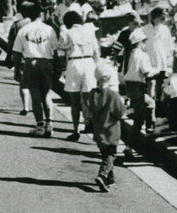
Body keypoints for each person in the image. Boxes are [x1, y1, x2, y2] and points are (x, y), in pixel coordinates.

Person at [12, 2, 60, 137]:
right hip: (47, 62)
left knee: (35, 95)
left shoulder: (23, 30)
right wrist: (58, 67)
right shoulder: (50, 29)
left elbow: (16, 52)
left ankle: (39, 125)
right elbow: (56, 51)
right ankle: (50, 123)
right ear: (41, 14)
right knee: (46, 94)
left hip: (30, 62)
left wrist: (16, 69)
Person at [58, 10, 100, 141]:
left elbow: (61, 49)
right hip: (89, 62)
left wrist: (62, 69)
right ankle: (92, 125)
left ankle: (75, 130)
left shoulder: (67, 32)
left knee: (74, 100)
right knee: (90, 98)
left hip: (74, 62)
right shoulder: (89, 31)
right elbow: (96, 51)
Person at [87, 61, 126, 192]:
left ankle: (111, 178)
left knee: (105, 154)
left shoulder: (92, 94)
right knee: (111, 154)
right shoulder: (112, 95)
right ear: (110, 77)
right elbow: (119, 112)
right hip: (111, 130)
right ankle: (102, 175)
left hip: (98, 129)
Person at [123, 27, 156, 151]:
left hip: (129, 86)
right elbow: (147, 72)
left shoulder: (129, 54)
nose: (145, 44)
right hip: (138, 87)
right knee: (139, 118)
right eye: (144, 41)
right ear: (139, 42)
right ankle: (130, 145)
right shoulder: (142, 55)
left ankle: (149, 130)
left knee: (149, 104)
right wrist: (160, 72)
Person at [142, 6, 173, 115]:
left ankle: (159, 104)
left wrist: (169, 57)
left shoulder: (165, 29)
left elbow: (169, 45)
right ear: (154, 18)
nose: (163, 20)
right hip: (150, 59)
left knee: (161, 83)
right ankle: (150, 107)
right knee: (151, 83)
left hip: (162, 60)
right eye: (161, 18)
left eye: (164, 18)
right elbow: (142, 45)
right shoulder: (145, 29)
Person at [6, 4, 33, 116]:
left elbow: (10, 42)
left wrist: (9, 56)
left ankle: (25, 107)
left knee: (23, 83)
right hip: (38, 56)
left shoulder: (16, 25)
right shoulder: (37, 24)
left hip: (22, 56)